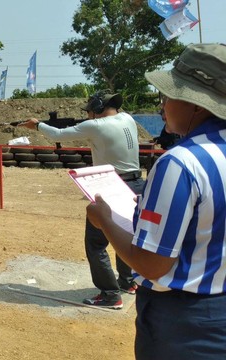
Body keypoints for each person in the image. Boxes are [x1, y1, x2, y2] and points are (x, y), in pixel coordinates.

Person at [86, 43, 226, 359]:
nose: (162, 105)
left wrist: (105, 219)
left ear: (196, 104)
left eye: (167, 96)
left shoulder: (180, 163)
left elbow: (153, 263)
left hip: (183, 323)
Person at [19, 90, 145, 309]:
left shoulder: (95, 126)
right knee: (125, 233)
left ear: (96, 108)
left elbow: (58, 135)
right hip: (136, 184)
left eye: (90, 110)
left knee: (96, 243)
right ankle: (128, 281)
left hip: (112, 186)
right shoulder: (128, 119)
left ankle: (110, 294)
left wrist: (38, 125)